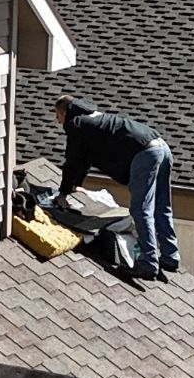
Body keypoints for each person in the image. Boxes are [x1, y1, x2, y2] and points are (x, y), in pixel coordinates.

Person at [53, 96, 178, 281]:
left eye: (57, 115)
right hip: (161, 146)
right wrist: (74, 186)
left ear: (64, 113)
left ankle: (148, 263)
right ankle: (170, 257)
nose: (57, 121)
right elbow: (83, 160)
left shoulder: (76, 124)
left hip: (144, 154)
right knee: (161, 206)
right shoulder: (94, 120)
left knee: (141, 209)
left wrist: (63, 193)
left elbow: (73, 161)